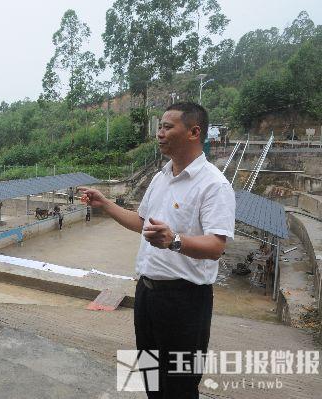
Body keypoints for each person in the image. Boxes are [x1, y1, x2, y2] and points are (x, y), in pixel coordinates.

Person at [79, 102, 235, 399]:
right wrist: (106, 204)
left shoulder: (214, 185)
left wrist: (174, 240)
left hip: (185, 301)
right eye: (159, 127)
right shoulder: (161, 177)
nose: (159, 134)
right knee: (148, 375)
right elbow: (141, 222)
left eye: (167, 127)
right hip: (147, 295)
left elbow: (216, 246)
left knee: (179, 385)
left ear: (194, 132)